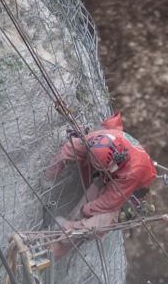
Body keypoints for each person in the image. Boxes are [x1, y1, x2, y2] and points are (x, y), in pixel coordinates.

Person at [45, 111, 157, 259]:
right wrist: (49, 176)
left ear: (118, 158)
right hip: (108, 177)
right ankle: (62, 233)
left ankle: (62, 241)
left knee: (102, 222)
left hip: (130, 191)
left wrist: (84, 211)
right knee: (88, 199)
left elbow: (110, 202)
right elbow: (69, 149)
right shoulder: (95, 140)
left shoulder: (134, 170)